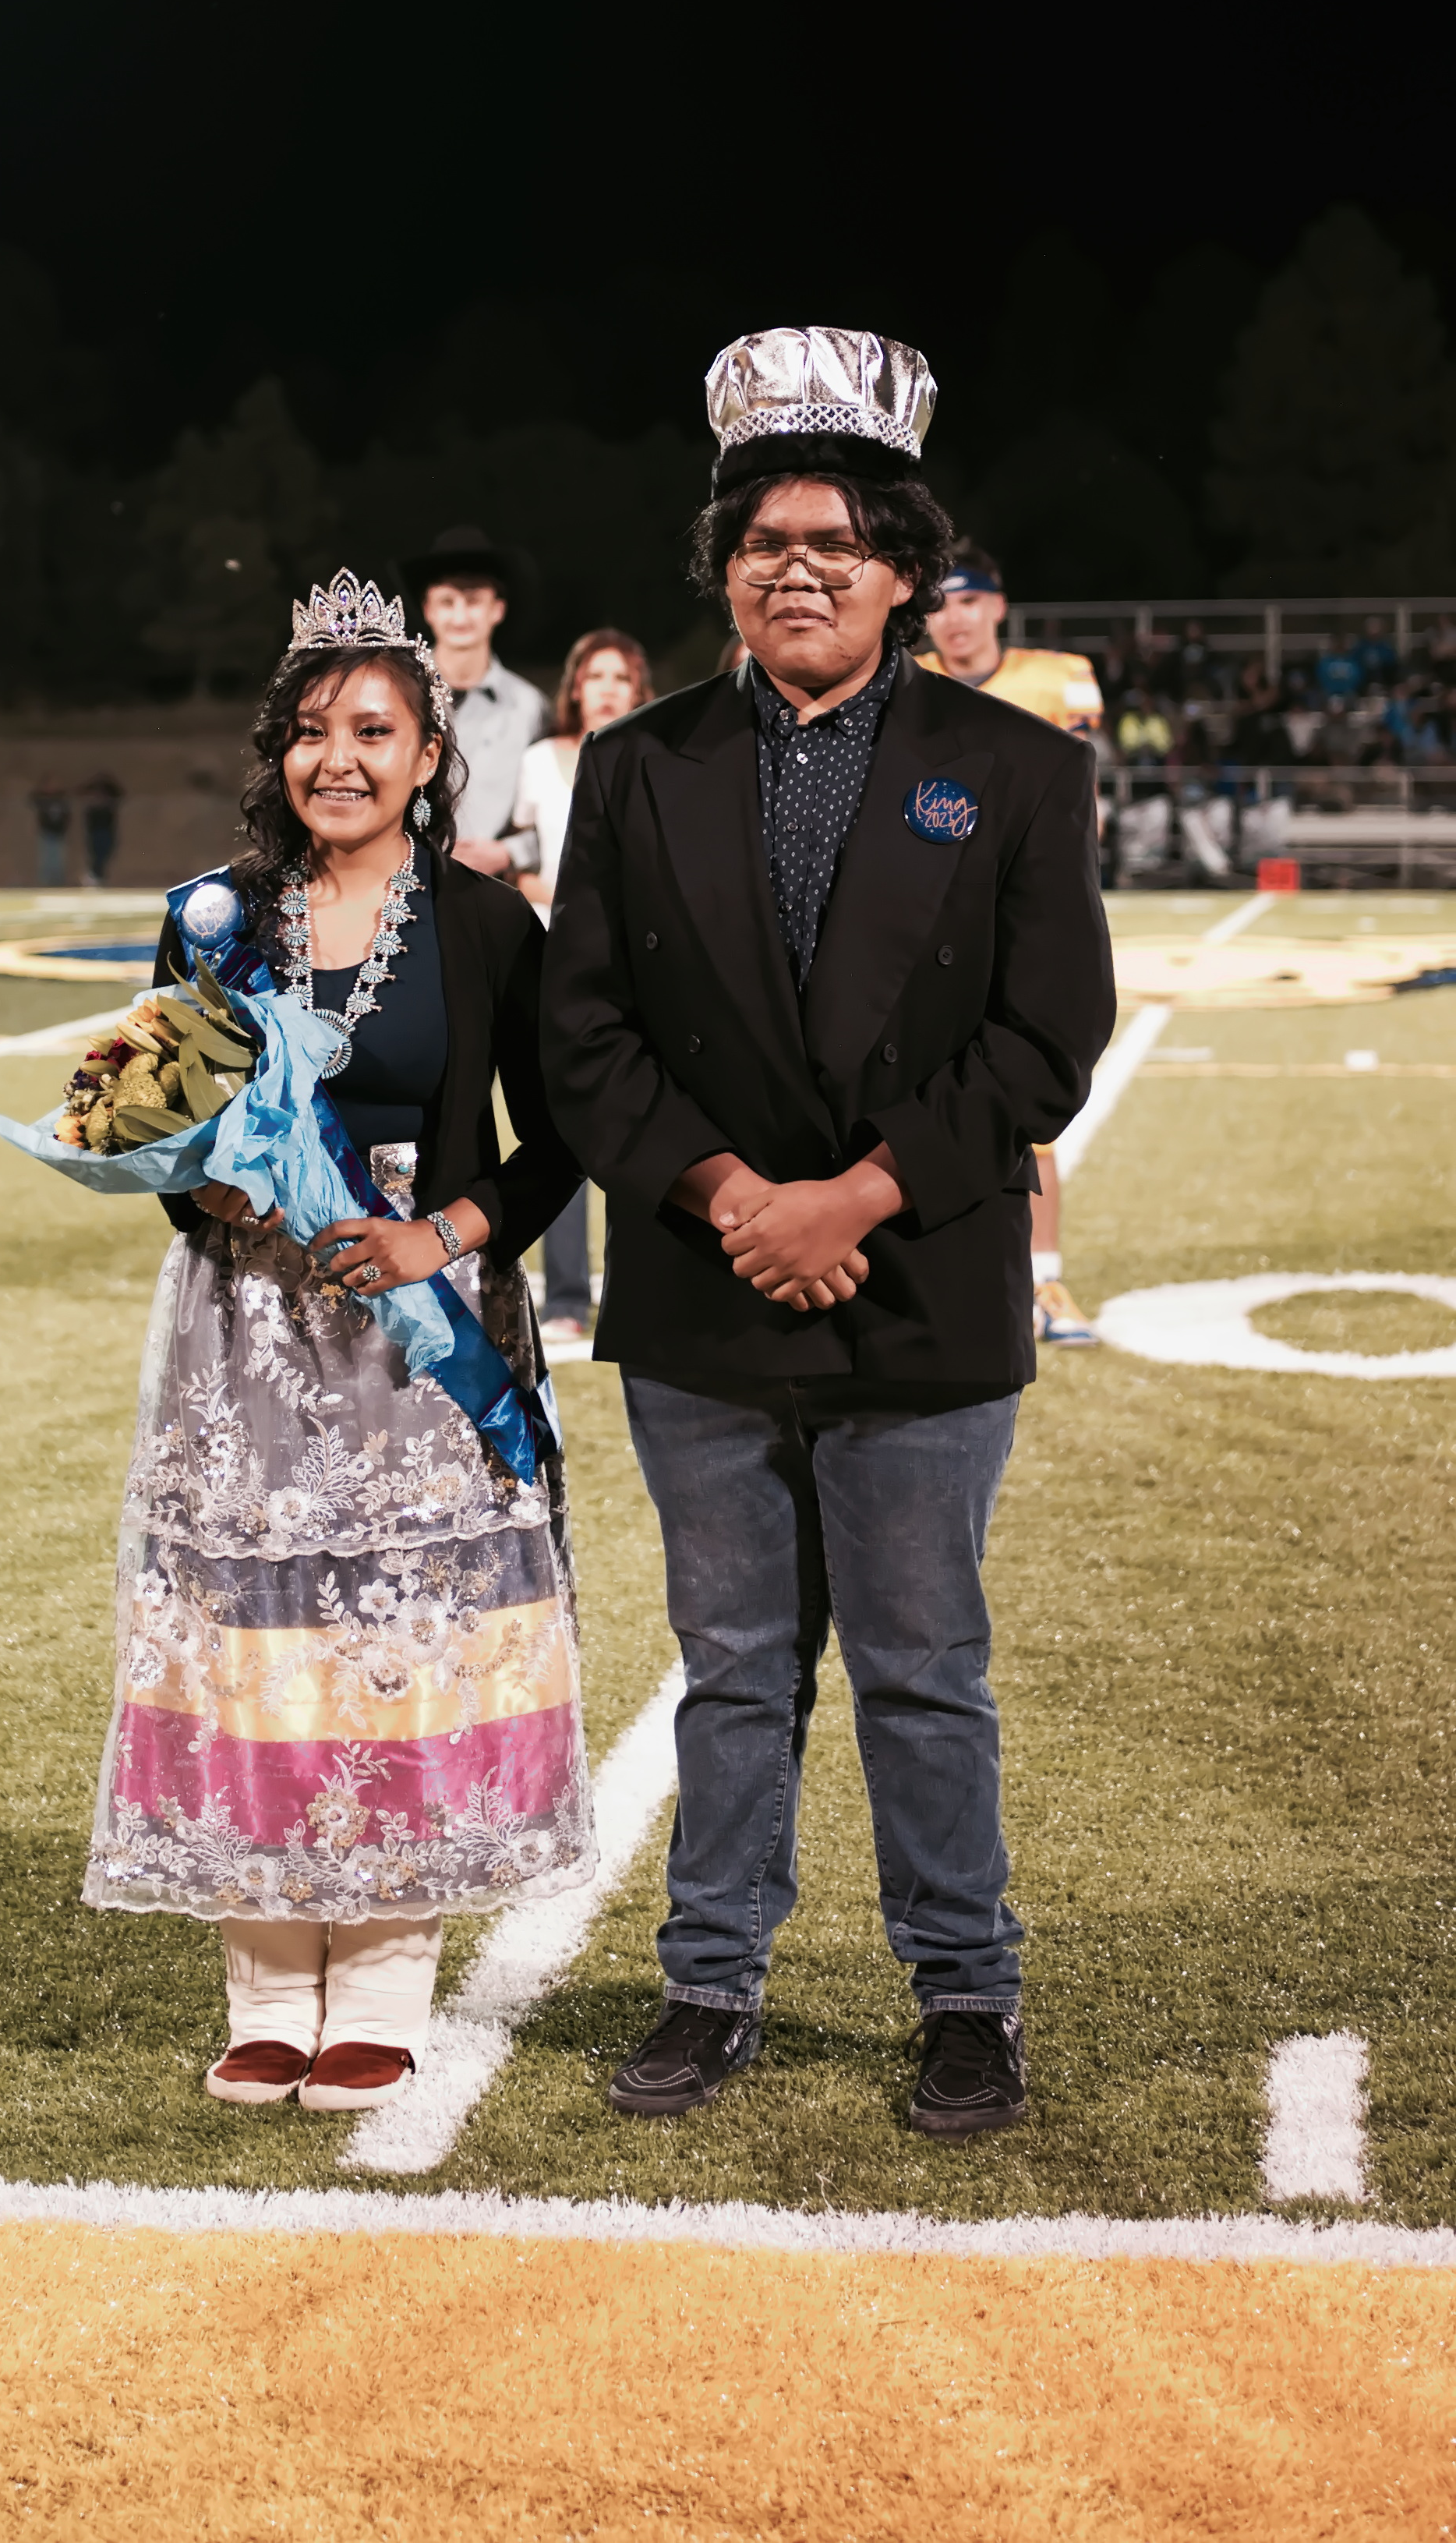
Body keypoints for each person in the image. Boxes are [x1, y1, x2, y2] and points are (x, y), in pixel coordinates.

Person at [542, 324, 1115, 2138]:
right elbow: (582, 1033)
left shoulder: (1016, 766)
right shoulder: (634, 765)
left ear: (903, 571)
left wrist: (855, 1196)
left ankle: (965, 1996)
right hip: (705, 1290)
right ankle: (710, 1980)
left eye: (838, 543)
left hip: (915, 1284)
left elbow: (1049, 1035)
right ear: (724, 565)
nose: (798, 568)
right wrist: (734, 1199)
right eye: (763, 539)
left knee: (921, 1673)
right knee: (729, 1671)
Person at [83, 571, 593, 2116]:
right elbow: (155, 1128)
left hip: (419, 1346)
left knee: (400, 1646)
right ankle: (264, 1989)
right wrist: (205, 1187)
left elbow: (565, 1134)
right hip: (247, 1337)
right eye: (312, 731)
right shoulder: (213, 919)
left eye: (374, 730)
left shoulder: (488, 923)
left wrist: (445, 1234)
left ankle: (377, 1988)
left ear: (429, 754)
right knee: (257, 1646)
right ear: (279, 751)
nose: (340, 760)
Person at [920, 541, 1108, 1349]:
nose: (953, 618)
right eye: (938, 602)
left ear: (997, 604)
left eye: (968, 600)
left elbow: (1085, 803)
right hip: (930, 917)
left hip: (1024, 915)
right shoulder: (907, 685)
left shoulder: (1059, 678)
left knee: (1031, 1097)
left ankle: (1045, 1280)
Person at [517, 628, 655, 1338]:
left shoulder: (657, 754)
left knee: (636, 1118)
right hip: (555, 954)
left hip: (638, 959)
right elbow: (522, 855)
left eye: (619, 676)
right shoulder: (540, 759)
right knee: (562, 1121)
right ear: (574, 686)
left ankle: (639, 1284)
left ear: (639, 688)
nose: (605, 688)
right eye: (594, 675)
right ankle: (567, 1297)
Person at [401, 526, 547, 876]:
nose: (460, 617)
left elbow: (558, 808)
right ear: (428, 610)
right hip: (400, 880)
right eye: (447, 602)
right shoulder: (396, 693)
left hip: (491, 887)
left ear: (497, 610)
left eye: (473, 602)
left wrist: (508, 853)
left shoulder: (530, 708)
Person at [80, 773, 123, 886]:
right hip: (95, 830)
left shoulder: (110, 793)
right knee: (96, 853)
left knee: (106, 852)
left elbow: (120, 794)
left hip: (107, 829)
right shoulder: (91, 797)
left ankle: (98, 876)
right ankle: (95, 876)